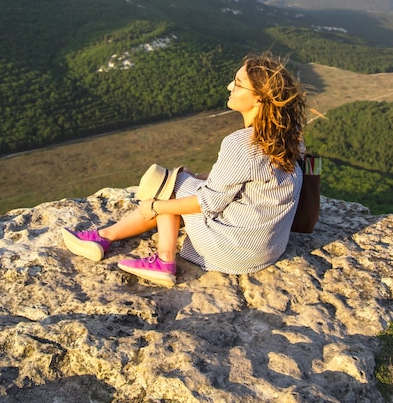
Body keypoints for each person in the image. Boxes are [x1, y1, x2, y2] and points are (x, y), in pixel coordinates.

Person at [62, 53, 307, 287]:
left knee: (167, 182)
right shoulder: (289, 138)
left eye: (238, 84)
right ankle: (105, 237)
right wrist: (200, 178)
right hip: (268, 249)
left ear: (259, 98)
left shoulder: (242, 143)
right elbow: (256, 178)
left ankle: (159, 258)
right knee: (183, 181)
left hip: (232, 251)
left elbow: (207, 202)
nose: (229, 87)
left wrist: (155, 206)